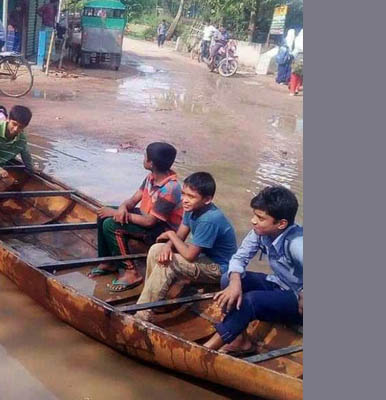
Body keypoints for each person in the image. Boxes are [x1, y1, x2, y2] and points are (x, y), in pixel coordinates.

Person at [203, 186, 303, 356]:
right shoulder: (260, 232)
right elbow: (238, 259)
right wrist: (235, 283)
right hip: (280, 285)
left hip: (298, 301)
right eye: (254, 215)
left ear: (281, 224)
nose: (253, 221)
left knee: (251, 301)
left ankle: (206, 349)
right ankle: (241, 341)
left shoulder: (296, 243)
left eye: (260, 218)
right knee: (228, 281)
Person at [135, 172, 237, 321]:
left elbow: (190, 255)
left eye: (191, 196)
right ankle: (152, 299)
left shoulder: (209, 219)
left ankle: (142, 314)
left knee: (168, 264)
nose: (184, 200)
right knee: (156, 249)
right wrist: (168, 245)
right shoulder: (192, 209)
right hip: (204, 256)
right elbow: (181, 235)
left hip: (219, 267)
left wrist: (170, 235)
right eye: (183, 194)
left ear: (207, 199)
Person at [90, 142, 183, 293]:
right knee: (103, 214)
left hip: (161, 231)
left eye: (145, 156)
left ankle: (131, 272)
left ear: (150, 163)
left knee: (111, 225)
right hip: (147, 218)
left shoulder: (170, 188)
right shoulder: (151, 177)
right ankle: (108, 262)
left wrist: (115, 214)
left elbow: (150, 222)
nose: (143, 158)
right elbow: (133, 201)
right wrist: (121, 208)